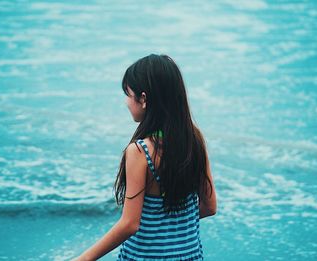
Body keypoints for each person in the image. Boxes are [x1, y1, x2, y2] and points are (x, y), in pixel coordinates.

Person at [73, 54, 217, 261]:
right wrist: (171, 228)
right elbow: (209, 207)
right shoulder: (194, 141)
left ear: (143, 98)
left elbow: (130, 224)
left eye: (127, 94)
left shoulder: (140, 151)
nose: (125, 102)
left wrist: (82, 259)